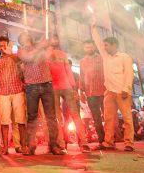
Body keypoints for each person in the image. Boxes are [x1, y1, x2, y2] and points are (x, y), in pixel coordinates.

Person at [90, 17, 135, 151]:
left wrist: (126, 89)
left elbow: (129, 74)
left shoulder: (124, 57)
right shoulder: (105, 56)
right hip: (109, 91)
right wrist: (93, 28)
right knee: (109, 118)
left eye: (106, 45)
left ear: (114, 45)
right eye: (104, 46)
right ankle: (108, 142)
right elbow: (97, 42)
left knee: (127, 118)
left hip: (122, 92)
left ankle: (129, 143)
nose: (103, 48)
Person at [17, 32, 64, 155]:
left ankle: (54, 145)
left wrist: (46, 47)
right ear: (20, 42)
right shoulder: (21, 51)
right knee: (32, 116)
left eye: (27, 37)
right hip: (31, 87)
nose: (26, 39)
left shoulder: (40, 47)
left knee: (51, 117)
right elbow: (28, 58)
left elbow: (48, 56)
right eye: (23, 38)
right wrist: (40, 47)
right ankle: (31, 146)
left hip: (46, 84)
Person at [48, 35, 90, 152]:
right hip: (53, 88)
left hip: (66, 87)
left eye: (56, 39)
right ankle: (61, 144)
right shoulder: (45, 54)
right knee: (57, 118)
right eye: (52, 39)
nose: (54, 41)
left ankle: (83, 142)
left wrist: (73, 88)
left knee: (75, 115)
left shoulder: (63, 54)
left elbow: (68, 71)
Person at [0, 36, 26, 155]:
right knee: (4, 122)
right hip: (2, 93)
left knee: (20, 120)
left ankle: (21, 146)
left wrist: (10, 54)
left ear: (9, 45)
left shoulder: (15, 58)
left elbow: (22, 63)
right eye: (0, 46)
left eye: (4, 45)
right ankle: (5, 148)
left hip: (17, 91)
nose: (2, 48)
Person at [79, 39, 106, 148]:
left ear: (94, 47)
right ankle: (101, 140)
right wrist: (81, 91)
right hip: (90, 93)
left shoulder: (102, 58)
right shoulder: (82, 61)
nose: (89, 49)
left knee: (108, 117)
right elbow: (81, 77)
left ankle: (110, 140)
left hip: (104, 91)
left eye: (90, 47)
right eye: (86, 47)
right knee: (96, 118)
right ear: (84, 48)